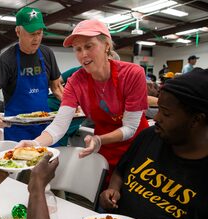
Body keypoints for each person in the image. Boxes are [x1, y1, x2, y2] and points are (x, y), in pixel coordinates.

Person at [99, 68, 208, 219]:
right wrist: (113, 190)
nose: (156, 118)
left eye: (166, 113)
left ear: (196, 120)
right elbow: (121, 172)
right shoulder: (150, 137)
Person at [18, 19, 148, 182]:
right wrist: (35, 143)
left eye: (89, 46)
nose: (83, 54)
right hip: (104, 148)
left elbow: (130, 127)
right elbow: (59, 126)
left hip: (138, 148)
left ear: (106, 45)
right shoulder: (75, 81)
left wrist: (100, 139)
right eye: (77, 49)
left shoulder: (132, 73)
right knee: (104, 195)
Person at [0, 7, 63, 142]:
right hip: (17, 130)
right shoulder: (6, 59)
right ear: (18, 31)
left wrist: (74, 106)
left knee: (49, 162)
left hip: (45, 129)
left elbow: (57, 88)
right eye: (32, 33)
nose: (36, 38)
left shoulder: (47, 54)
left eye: (40, 33)